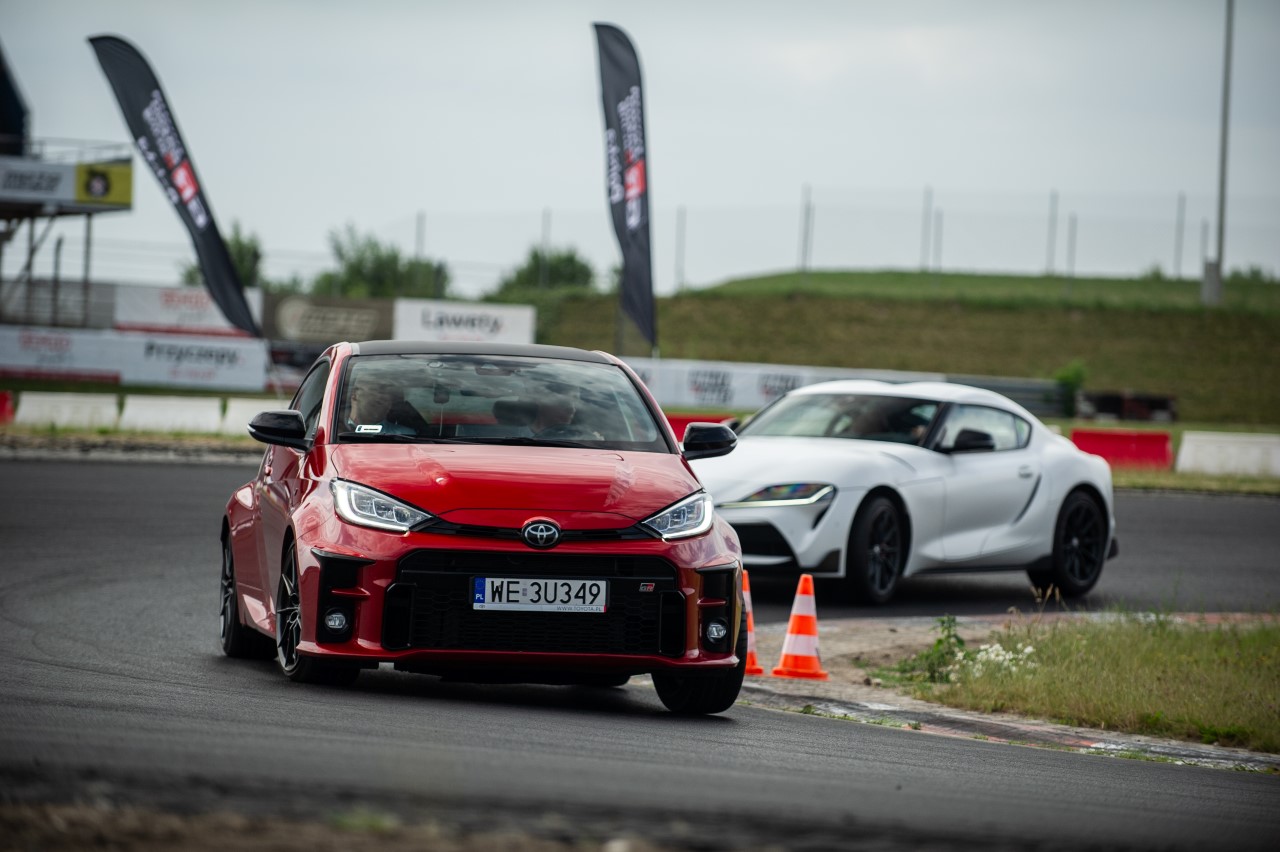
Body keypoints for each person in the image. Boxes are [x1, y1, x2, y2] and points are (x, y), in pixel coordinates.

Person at [345, 378, 420, 436]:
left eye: (387, 393)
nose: (381, 397)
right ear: (354, 395)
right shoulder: (340, 429)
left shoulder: (404, 434)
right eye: (374, 390)